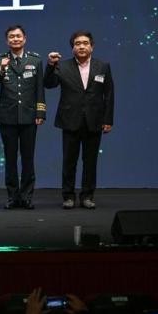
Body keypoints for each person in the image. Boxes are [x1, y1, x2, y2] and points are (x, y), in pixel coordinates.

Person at [44, 31, 114, 209]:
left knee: (90, 162)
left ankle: (87, 196)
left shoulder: (103, 66)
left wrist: (108, 120)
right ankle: (68, 196)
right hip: (70, 120)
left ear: (92, 46)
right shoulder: (62, 66)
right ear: (72, 48)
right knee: (69, 161)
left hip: (94, 120)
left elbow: (109, 94)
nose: (81, 46)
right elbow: (49, 84)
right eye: (77, 43)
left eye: (85, 43)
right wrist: (50, 65)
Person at [0, 25, 46, 210]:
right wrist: (1, 69)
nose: (15, 39)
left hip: (29, 116)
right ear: (7, 41)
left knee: (28, 158)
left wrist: (40, 112)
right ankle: (13, 196)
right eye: (12, 37)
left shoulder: (35, 60)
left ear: (25, 39)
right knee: (10, 158)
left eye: (18, 36)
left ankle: (27, 196)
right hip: (7, 117)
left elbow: (39, 89)